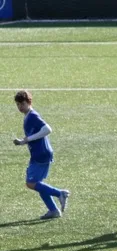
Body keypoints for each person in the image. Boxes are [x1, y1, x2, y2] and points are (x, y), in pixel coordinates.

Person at [13, 90, 69, 220]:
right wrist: (22, 142)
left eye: (22, 104)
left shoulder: (33, 115)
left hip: (41, 154)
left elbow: (47, 129)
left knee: (31, 183)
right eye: (18, 104)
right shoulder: (28, 116)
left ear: (29, 102)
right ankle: (53, 210)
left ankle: (60, 193)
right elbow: (34, 135)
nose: (20, 107)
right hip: (39, 153)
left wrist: (28, 139)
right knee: (38, 184)